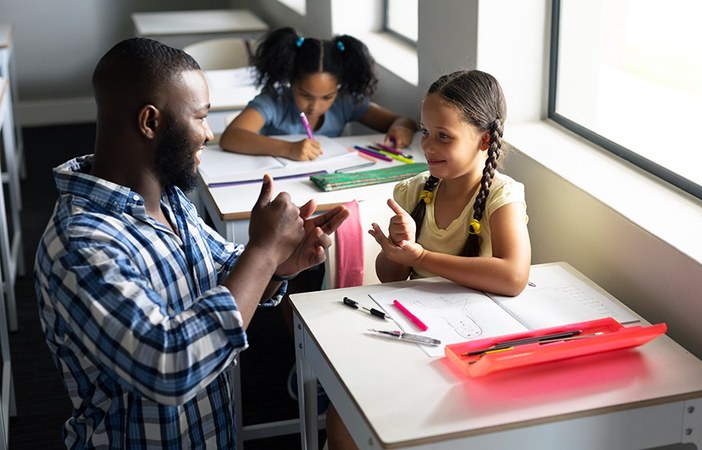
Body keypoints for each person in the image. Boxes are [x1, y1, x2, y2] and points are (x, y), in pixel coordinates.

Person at [33, 37, 349, 449]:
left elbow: (223, 271)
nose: (209, 133)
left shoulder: (168, 198)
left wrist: (279, 263)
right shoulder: (79, 245)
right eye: (200, 117)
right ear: (150, 122)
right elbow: (170, 366)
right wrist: (264, 251)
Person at [325, 70, 531, 450]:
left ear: (484, 140)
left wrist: (423, 255)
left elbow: (513, 276)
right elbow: (389, 279)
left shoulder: (503, 195)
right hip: (415, 329)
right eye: (424, 131)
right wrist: (398, 251)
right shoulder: (413, 191)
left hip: (476, 340)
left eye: (443, 136)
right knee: (344, 413)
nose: (427, 146)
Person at [219, 27, 416, 160]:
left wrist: (401, 129)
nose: (315, 106)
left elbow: (402, 121)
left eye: (327, 97)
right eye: (305, 95)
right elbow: (231, 137)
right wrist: (288, 148)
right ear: (291, 81)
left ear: (337, 88)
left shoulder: (345, 101)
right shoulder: (274, 100)